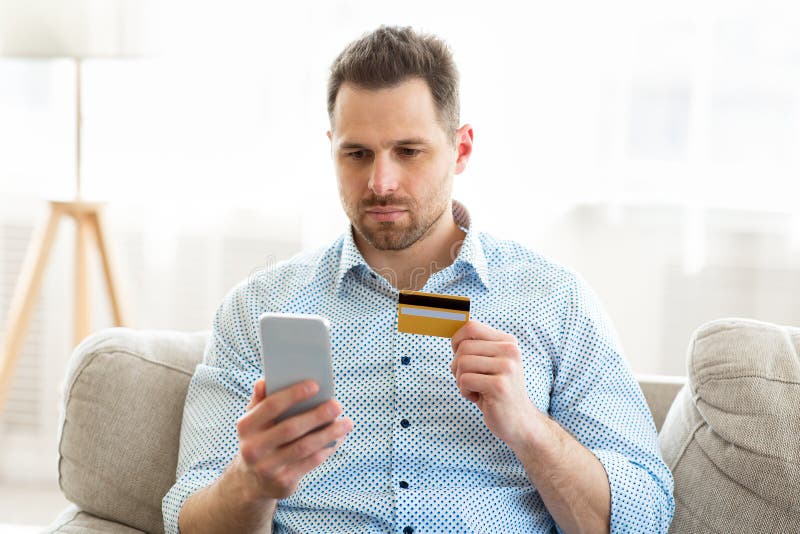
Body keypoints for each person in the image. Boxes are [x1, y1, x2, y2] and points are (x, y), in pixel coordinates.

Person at [163, 26, 674, 534]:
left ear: (462, 149)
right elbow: (186, 518)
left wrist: (529, 428)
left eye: (409, 151)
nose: (380, 183)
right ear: (331, 150)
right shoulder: (257, 308)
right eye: (357, 153)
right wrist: (250, 481)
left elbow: (644, 515)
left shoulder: (557, 303)